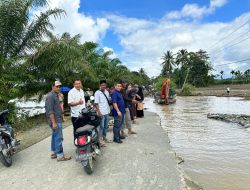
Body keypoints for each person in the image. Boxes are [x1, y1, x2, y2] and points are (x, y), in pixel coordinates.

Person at [45, 81, 71, 161]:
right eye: (57, 86)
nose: (58, 88)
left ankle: (53, 153)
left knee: (54, 136)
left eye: (59, 87)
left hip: (57, 119)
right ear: (52, 87)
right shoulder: (50, 96)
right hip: (55, 120)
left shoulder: (56, 95)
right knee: (58, 138)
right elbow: (50, 111)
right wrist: (54, 123)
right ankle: (60, 155)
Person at [94, 80, 112, 146]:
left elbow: (108, 101)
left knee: (106, 126)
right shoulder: (97, 93)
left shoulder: (107, 92)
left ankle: (104, 137)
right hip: (101, 112)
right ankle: (100, 140)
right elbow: (96, 104)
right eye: (102, 85)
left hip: (107, 111)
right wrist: (99, 112)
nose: (104, 86)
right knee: (101, 127)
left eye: (105, 85)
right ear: (100, 85)